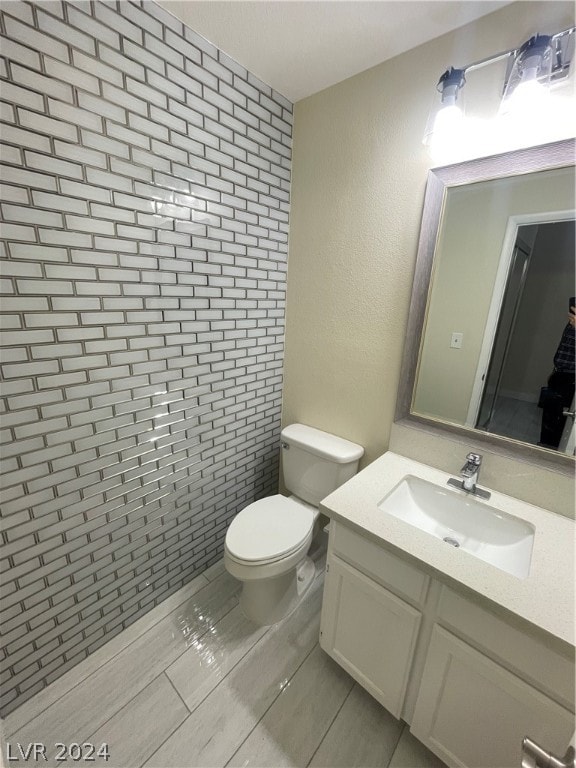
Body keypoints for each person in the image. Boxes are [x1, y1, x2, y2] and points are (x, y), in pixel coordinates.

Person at [539, 298, 576, 449]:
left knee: (560, 419)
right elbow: (565, 350)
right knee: (551, 414)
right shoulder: (571, 323)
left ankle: (552, 451)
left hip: (571, 379)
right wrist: (554, 371)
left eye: (573, 311)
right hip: (560, 374)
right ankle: (544, 447)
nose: (570, 314)